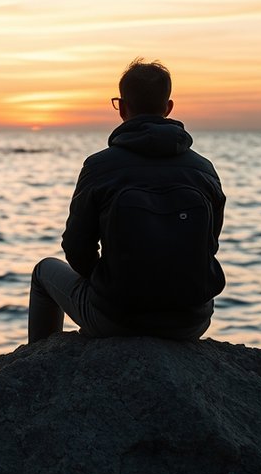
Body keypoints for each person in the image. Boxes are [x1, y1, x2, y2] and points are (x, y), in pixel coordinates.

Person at [28, 59, 226, 343]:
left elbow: (76, 246)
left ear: (122, 107)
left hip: (116, 319)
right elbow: (210, 245)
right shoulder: (203, 169)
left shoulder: (99, 166)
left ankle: (39, 362)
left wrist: (106, 282)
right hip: (190, 322)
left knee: (43, 271)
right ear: (168, 107)